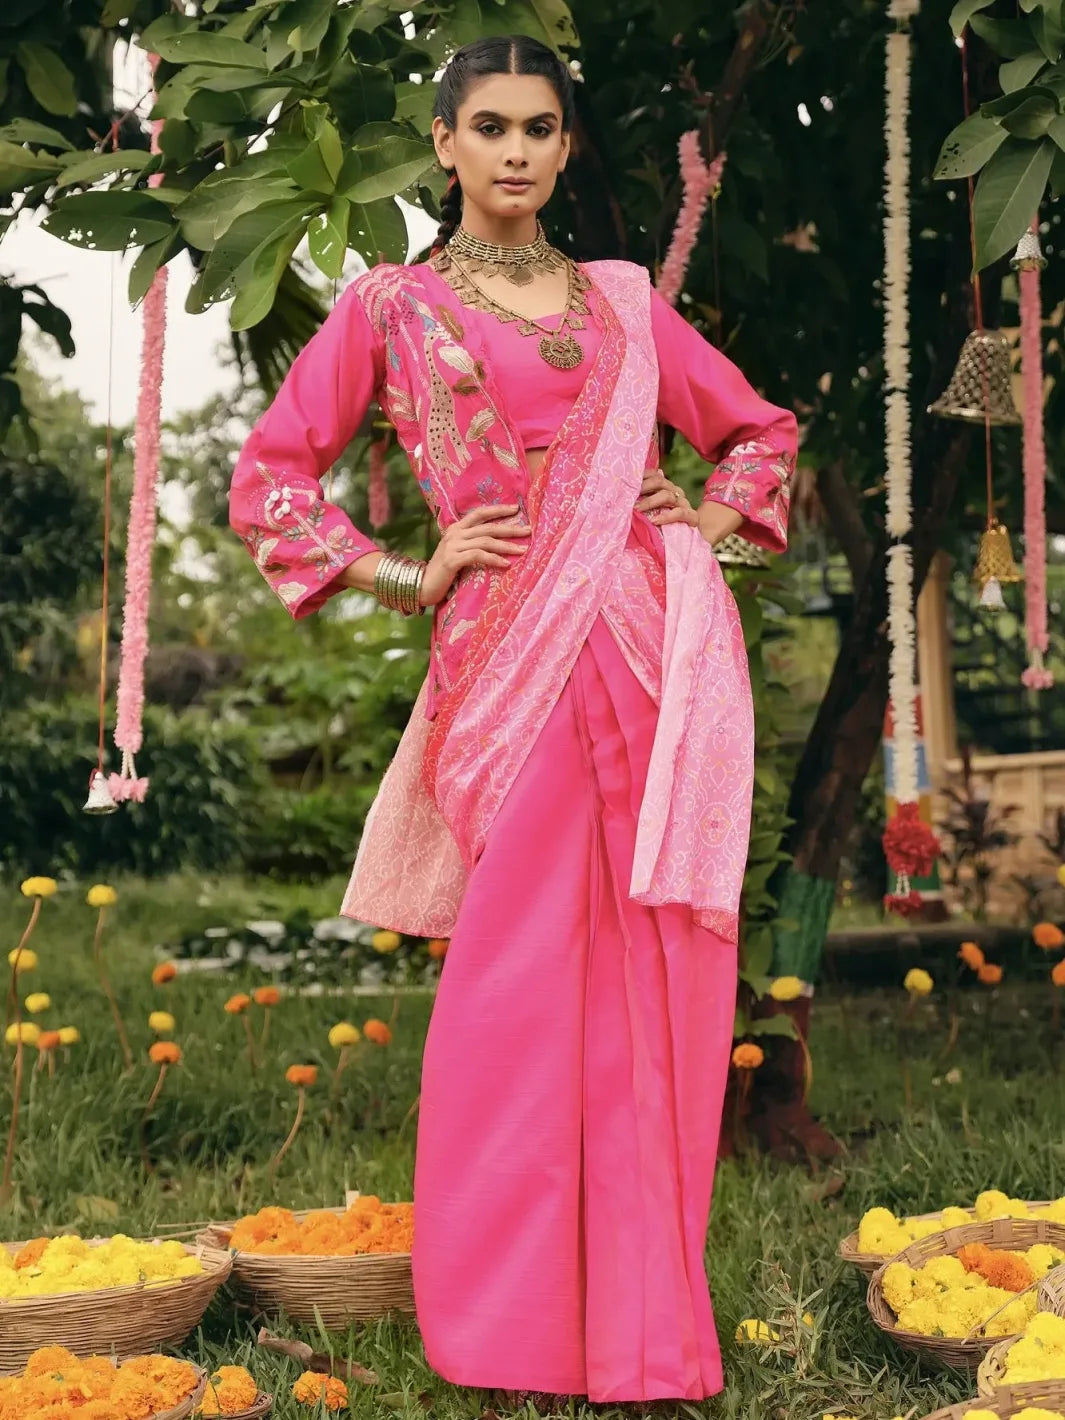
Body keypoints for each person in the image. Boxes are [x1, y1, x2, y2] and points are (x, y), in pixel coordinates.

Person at [228, 33, 797, 1411]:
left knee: (657, 973)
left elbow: (755, 432)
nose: (518, 152)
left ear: (562, 143)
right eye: (490, 127)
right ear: (443, 143)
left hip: (649, 657)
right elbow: (272, 477)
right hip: (505, 662)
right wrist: (395, 568)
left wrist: (705, 520)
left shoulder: (615, 301)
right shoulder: (389, 306)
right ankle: (504, 1326)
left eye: (541, 128)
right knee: (515, 988)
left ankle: (646, 1332)